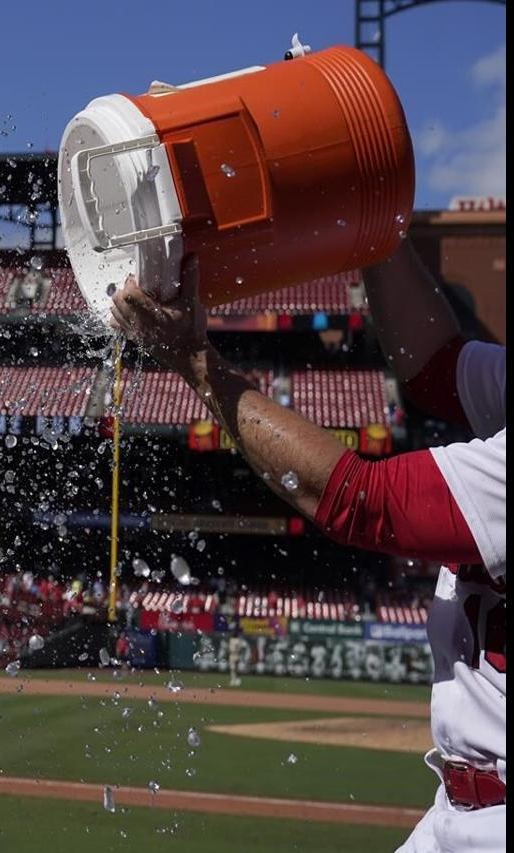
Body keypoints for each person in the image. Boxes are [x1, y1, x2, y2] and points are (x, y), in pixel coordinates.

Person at [112, 243, 505, 853]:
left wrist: (192, 359)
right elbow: (434, 369)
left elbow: (361, 499)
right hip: (457, 806)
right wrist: (378, 222)